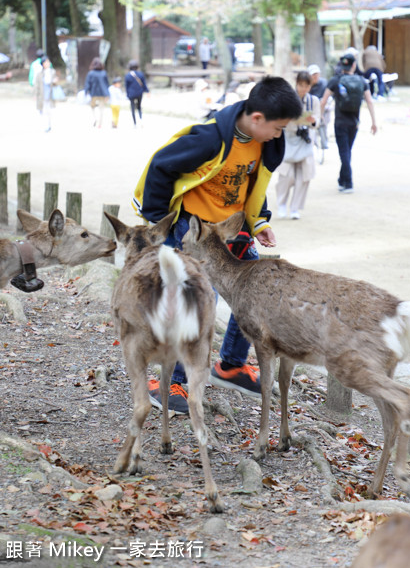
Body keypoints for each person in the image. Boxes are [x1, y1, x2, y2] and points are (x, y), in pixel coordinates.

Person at [132, 76, 303, 414]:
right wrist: (159, 223)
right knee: (197, 302)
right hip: (193, 233)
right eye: (278, 127)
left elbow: (254, 185)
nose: (279, 135)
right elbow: (161, 166)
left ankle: (232, 365)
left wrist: (260, 222)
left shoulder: (263, 143)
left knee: (254, 293)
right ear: (257, 119)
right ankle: (169, 381)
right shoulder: (210, 137)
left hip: (232, 231)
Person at [319, 53, 377, 194]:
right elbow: (369, 101)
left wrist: (320, 116)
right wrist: (373, 122)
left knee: (344, 153)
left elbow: (323, 100)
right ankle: (342, 180)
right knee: (347, 152)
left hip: (340, 123)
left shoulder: (335, 80)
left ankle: (348, 182)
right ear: (354, 65)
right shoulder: (362, 81)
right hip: (354, 123)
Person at [276, 71, 321, 219]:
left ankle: (295, 207)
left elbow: (317, 121)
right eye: (301, 85)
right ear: (296, 84)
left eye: (306, 85)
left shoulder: (313, 100)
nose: (303, 89)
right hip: (288, 138)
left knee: (304, 176)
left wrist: (312, 121)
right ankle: (281, 204)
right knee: (286, 175)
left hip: (305, 138)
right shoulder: (287, 99)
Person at [84, 57, 110, 129]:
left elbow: (87, 84)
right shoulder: (104, 73)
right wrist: (108, 94)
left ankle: (95, 118)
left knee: (92, 107)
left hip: (93, 93)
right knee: (101, 109)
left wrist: (86, 92)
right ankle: (100, 124)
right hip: (102, 93)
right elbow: (107, 84)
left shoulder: (90, 73)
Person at [34, 56, 58, 133]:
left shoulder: (52, 72)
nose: (47, 63)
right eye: (46, 62)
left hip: (50, 95)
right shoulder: (39, 74)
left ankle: (49, 125)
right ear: (43, 64)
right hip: (42, 95)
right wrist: (36, 95)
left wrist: (55, 82)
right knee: (44, 111)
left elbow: (55, 84)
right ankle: (46, 125)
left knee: (50, 111)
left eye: (48, 62)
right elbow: (37, 85)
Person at [124, 59, 149, 126]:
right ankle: (141, 120)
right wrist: (147, 91)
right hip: (139, 93)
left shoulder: (127, 75)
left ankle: (134, 123)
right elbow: (144, 84)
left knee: (132, 107)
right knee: (139, 106)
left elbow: (126, 86)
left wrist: (127, 94)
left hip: (131, 93)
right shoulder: (140, 74)